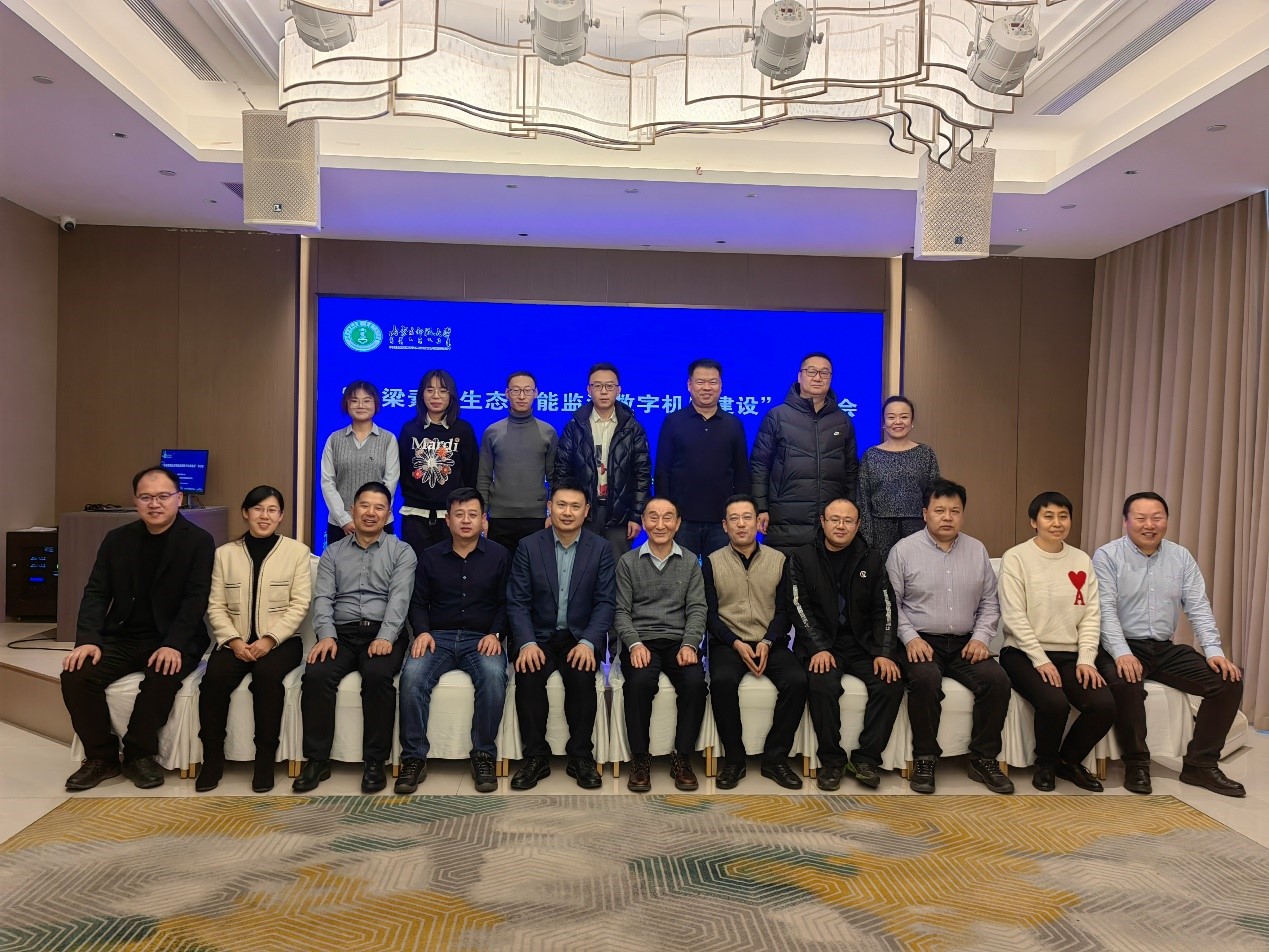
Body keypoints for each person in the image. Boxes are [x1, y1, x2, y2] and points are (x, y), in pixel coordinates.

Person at [62, 466, 215, 791]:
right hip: (123, 636)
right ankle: (101, 757)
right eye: (146, 497)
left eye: (163, 496)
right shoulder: (117, 540)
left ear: (179, 498)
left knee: (161, 674)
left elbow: (196, 598)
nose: (154, 504)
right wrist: (87, 639)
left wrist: (174, 644)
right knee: (76, 674)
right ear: (135, 500)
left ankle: (138, 755)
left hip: (174, 638)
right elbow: (96, 592)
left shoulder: (198, 541)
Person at [1093, 491, 1246, 797]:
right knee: (1126, 682)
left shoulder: (1181, 556)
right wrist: (1122, 653)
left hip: (1162, 647)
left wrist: (1214, 651)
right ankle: (1136, 763)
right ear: (1126, 522)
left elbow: (1198, 606)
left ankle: (1200, 765)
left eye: (1157, 518)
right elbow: (1104, 610)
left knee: (1228, 680)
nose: (1149, 525)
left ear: (1166, 520)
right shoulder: (1107, 556)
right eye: (1141, 518)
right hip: (1119, 644)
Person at [886, 479, 1014, 795]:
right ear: (924, 513)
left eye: (955, 511)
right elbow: (890, 604)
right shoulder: (903, 551)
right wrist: (910, 638)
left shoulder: (977, 550)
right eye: (940, 510)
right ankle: (925, 758)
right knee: (926, 679)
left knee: (997, 681)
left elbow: (990, 602)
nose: (947, 517)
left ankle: (983, 759)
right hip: (920, 641)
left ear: (963, 514)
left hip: (965, 643)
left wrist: (981, 638)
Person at [294, 481, 416, 794]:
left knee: (377, 676)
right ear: (352, 509)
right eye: (364, 505)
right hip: (342, 634)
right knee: (317, 674)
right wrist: (326, 635)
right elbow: (323, 598)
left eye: (379, 507)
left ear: (388, 514)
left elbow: (399, 600)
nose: (371, 513)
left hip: (383, 632)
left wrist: (386, 636)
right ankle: (317, 760)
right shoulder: (333, 552)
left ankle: (374, 761)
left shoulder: (402, 552)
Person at [197, 485, 312, 793]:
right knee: (213, 680)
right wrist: (234, 641)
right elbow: (215, 605)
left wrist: (270, 639)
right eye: (258, 509)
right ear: (245, 513)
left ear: (281, 516)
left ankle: (264, 761)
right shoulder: (225, 554)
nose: (265, 516)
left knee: (266, 678)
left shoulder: (296, 552)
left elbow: (299, 604)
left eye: (272, 510)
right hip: (234, 642)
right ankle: (212, 759)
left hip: (281, 642)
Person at [395, 488, 510, 795]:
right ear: (447, 519)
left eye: (473, 514)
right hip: (438, 637)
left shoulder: (499, 556)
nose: (466, 520)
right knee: (412, 677)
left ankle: (483, 755)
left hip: (482, 638)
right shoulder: (430, 556)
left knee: (493, 676)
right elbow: (418, 603)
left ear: (483, 520)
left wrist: (496, 634)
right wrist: (422, 631)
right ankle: (413, 759)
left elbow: (507, 603)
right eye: (459, 514)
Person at [997, 492, 1113, 792]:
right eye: (1048, 516)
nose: (1057, 523)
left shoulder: (1081, 559)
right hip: (1022, 652)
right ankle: (1045, 765)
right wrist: (1040, 659)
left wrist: (1086, 659)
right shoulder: (1016, 557)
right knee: (1054, 703)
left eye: (1063, 516)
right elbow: (1014, 616)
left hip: (1071, 653)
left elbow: (1091, 615)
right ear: (1033, 522)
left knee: (1103, 704)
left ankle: (1068, 761)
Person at [506, 478, 617, 790]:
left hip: (578, 636)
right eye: (561, 505)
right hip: (538, 635)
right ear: (549, 507)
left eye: (575, 506)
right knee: (528, 676)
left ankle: (580, 756)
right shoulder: (529, 546)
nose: (567, 512)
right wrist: (527, 642)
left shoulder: (601, 548)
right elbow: (517, 601)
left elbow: (606, 603)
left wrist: (589, 642)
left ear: (586, 511)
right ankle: (535, 757)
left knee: (582, 677)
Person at [788, 498, 903, 791]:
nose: (841, 526)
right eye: (835, 519)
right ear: (823, 522)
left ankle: (866, 760)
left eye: (848, 520)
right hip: (823, 644)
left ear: (858, 524)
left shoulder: (871, 558)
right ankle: (832, 761)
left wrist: (884, 652)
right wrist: (818, 648)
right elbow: (798, 607)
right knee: (821, 684)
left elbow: (885, 608)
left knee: (890, 683)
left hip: (863, 644)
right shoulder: (802, 557)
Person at [703, 494, 806, 790]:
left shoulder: (779, 560)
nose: (741, 524)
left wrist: (769, 641)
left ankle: (775, 758)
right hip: (728, 643)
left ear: (757, 522)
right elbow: (709, 614)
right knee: (721, 681)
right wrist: (735, 642)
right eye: (734, 519)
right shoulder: (711, 562)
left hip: (769, 642)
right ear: (725, 526)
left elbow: (785, 610)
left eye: (747, 517)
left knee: (798, 680)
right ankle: (734, 759)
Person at [614, 497, 708, 793]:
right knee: (639, 683)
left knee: (695, 684)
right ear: (643, 522)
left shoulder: (690, 561)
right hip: (642, 640)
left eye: (668, 517)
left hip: (679, 641)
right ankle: (640, 759)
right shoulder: (628, 562)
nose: (660, 524)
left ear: (678, 524)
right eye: (653, 517)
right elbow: (621, 612)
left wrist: (690, 644)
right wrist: (634, 644)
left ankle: (683, 758)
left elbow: (698, 609)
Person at [751, 352, 859, 551]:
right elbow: (760, 465)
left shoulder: (842, 421)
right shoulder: (777, 416)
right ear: (800, 376)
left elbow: (851, 470)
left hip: (830, 525)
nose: (818, 377)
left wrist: (851, 510)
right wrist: (760, 507)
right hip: (784, 521)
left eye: (824, 373)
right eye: (811, 372)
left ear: (831, 378)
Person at [553, 362, 650, 561]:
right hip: (583, 512)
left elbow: (642, 475)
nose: (603, 391)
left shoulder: (633, 429)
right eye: (597, 386)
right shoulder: (574, 427)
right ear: (589, 389)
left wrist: (636, 516)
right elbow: (562, 471)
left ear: (618, 390)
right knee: (582, 568)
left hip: (621, 514)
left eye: (609, 386)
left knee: (618, 569)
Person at [655, 359, 750, 557]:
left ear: (721, 386)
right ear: (689, 385)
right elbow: (663, 471)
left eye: (713, 382)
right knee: (680, 573)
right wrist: (666, 513)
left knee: (719, 574)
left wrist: (739, 513)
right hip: (682, 520)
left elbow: (742, 473)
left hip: (721, 521)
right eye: (700, 382)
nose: (707, 387)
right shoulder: (673, 422)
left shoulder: (734, 425)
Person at [397, 368, 479, 556]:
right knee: (417, 569)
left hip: (452, 516)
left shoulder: (463, 430)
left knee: (451, 569)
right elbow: (402, 470)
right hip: (415, 515)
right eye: (430, 390)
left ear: (451, 395)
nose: (436, 396)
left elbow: (471, 474)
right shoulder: (409, 429)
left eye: (443, 390)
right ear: (421, 394)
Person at [477, 370, 557, 556]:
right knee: (499, 570)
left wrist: (553, 513)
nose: (522, 396)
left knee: (536, 571)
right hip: (499, 518)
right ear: (507, 393)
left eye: (527, 390)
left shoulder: (548, 432)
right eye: (516, 390)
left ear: (536, 393)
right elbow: (484, 477)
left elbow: (555, 478)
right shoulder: (492, 432)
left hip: (537, 518)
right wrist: (482, 516)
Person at [855, 396, 941, 560]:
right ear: (883, 422)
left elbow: (935, 496)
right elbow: (862, 499)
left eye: (904, 416)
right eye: (891, 417)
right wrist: (866, 537)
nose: (898, 422)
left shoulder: (926, 454)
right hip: (879, 531)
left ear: (912, 421)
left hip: (918, 529)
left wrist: (933, 530)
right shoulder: (871, 455)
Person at [320, 380, 400, 548]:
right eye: (354, 400)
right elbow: (327, 482)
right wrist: (344, 519)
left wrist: (375, 515)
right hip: (341, 525)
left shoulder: (388, 439)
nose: (361, 405)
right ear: (347, 404)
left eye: (367, 400)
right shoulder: (334, 439)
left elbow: (390, 482)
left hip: (379, 523)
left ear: (376, 404)